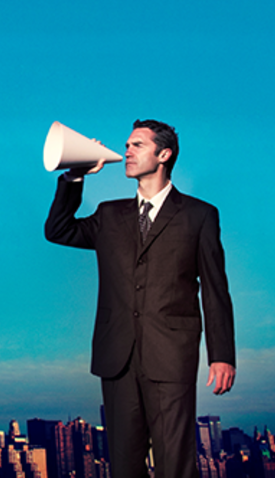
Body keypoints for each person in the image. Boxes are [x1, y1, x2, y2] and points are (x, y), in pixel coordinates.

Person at [45, 120, 235, 478]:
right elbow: (58, 230)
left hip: (171, 354)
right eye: (127, 145)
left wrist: (221, 356)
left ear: (163, 155)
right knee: (124, 465)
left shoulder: (199, 216)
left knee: (175, 463)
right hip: (117, 356)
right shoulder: (109, 215)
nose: (127, 151)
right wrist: (75, 177)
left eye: (137, 145)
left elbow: (215, 290)